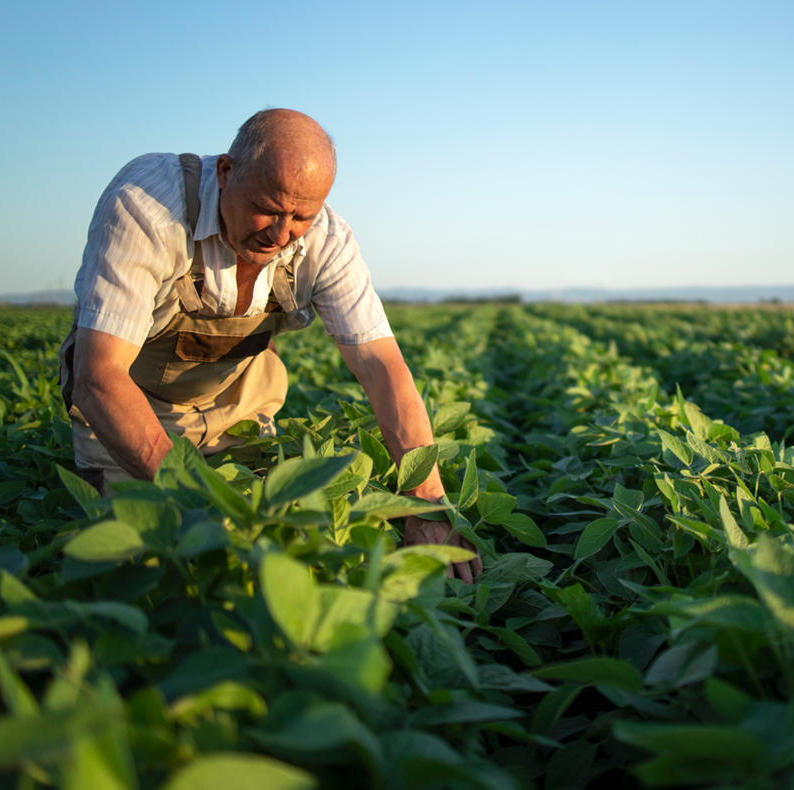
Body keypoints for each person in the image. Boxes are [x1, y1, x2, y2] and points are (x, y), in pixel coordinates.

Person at [59, 108, 481, 582]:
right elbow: (98, 379)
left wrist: (424, 505)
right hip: (130, 412)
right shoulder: (147, 207)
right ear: (225, 172)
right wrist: (203, 504)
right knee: (144, 568)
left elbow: (382, 368)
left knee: (280, 561)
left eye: (301, 216)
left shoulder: (328, 241)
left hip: (239, 408)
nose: (281, 234)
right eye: (268, 207)